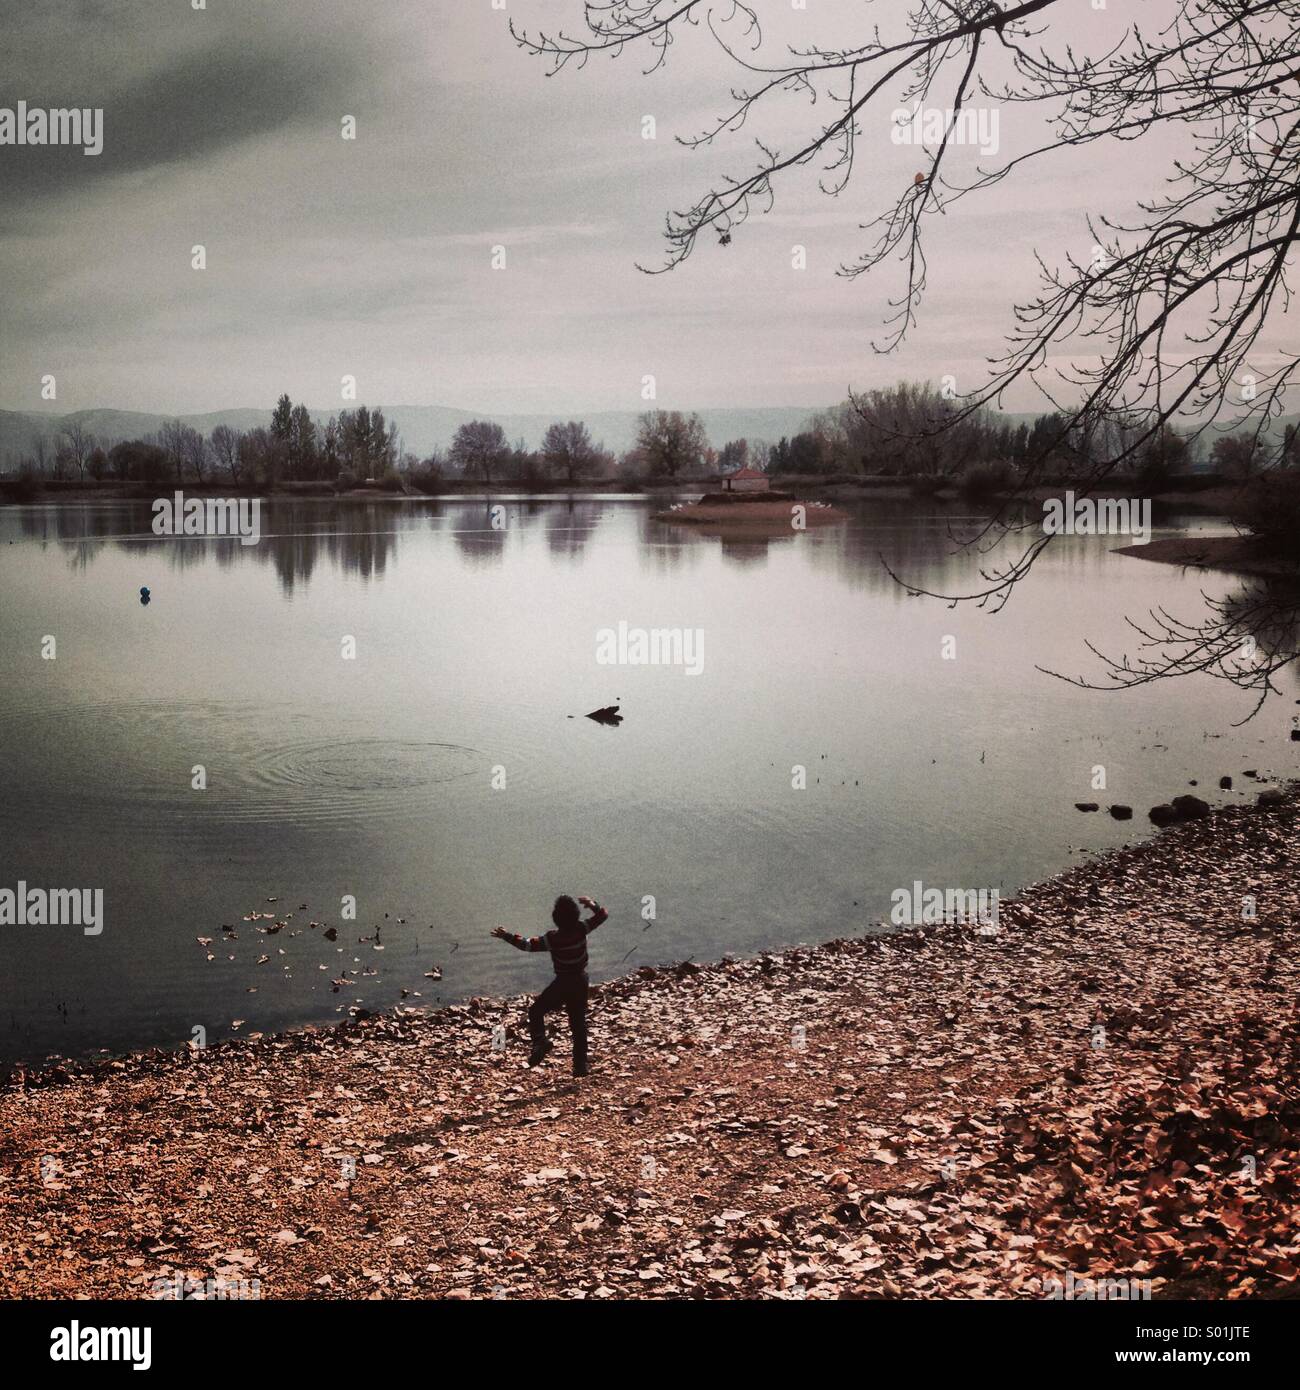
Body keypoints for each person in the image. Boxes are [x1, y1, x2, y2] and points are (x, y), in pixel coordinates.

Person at [491, 894, 608, 1076]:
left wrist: (506, 935)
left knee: (536, 1011)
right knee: (578, 1023)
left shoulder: (552, 938)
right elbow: (602, 915)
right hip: (581, 981)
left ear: (555, 919)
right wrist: (592, 904)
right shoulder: (581, 928)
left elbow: (527, 945)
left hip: (562, 983)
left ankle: (540, 1042)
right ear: (576, 915)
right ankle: (580, 1066)